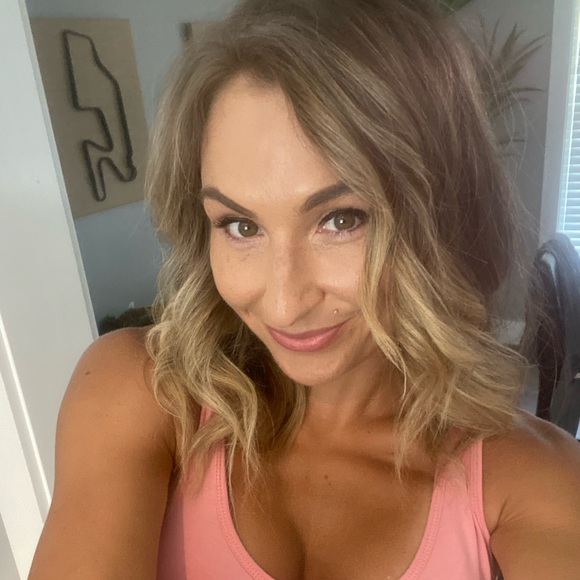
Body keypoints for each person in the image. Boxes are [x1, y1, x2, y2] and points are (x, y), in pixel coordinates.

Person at [29, 0, 580, 578]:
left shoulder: (532, 480)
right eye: (241, 226)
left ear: (444, 218)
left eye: (341, 219)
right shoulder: (139, 393)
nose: (284, 304)